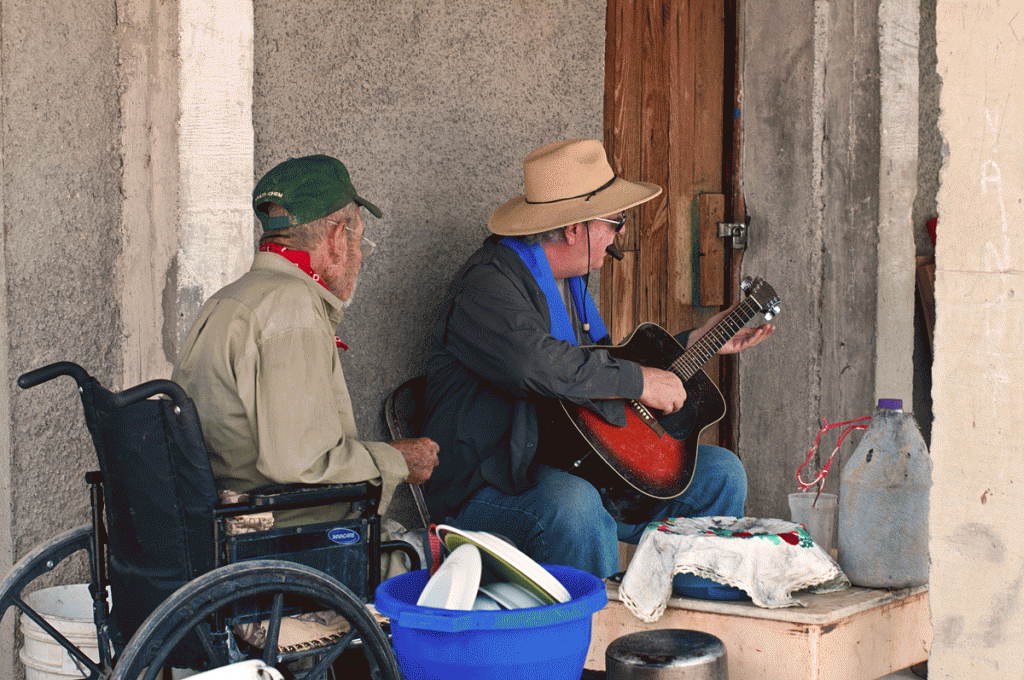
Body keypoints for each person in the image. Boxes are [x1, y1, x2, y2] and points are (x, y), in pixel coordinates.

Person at [420, 139, 773, 578]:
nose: (621, 233)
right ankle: (598, 636)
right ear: (574, 229)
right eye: (615, 221)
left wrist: (694, 342)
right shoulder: (487, 286)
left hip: (569, 460)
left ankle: (691, 610)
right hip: (494, 483)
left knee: (721, 473)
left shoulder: (568, 282)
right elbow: (539, 365)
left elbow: (599, 367)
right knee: (576, 504)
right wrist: (639, 382)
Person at [173, 154, 439, 545]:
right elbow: (303, 463)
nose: (361, 257)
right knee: (442, 558)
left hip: (224, 528)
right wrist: (396, 461)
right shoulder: (290, 308)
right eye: (360, 240)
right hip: (290, 538)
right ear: (337, 239)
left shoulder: (229, 299)